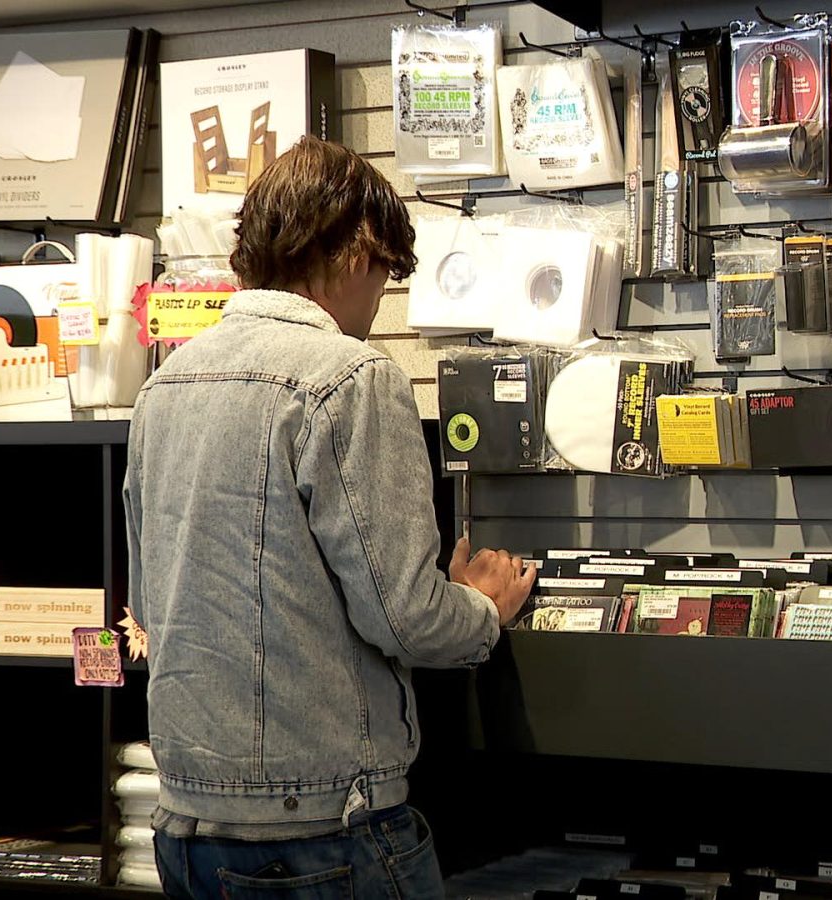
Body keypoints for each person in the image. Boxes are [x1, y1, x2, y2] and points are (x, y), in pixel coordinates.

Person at [125, 137, 534, 899]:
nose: (380, 304)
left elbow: (151, 611)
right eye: (386, 277)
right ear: (357, 251)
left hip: (185, 825)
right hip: (322, 830)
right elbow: (405, 618)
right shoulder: (351, 377)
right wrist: (481, 607)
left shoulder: (165, 387)